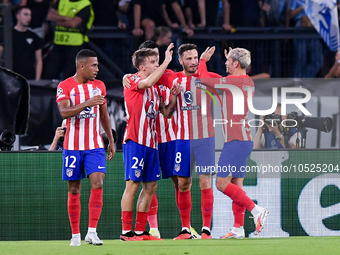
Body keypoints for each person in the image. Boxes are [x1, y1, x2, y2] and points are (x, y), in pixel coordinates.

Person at [200, 46, 269, 239]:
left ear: (236, 63)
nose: (225, 64)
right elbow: (217, 78)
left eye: (228, 61)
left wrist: (203, 61)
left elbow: (205, 79)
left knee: (221, 183)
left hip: (236, 140)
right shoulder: (247, 81)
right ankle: (238, 228)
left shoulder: (233, 81)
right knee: (236, 185)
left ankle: (256, 210)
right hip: (243, 138)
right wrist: (231, 60)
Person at [154, 43, 218, 240]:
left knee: (206, 182)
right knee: (183, 183)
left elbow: (232, 81)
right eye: (188, 58)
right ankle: (185, 229)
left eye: (195, 57)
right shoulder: (173, 77)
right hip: (182, 139)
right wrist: (164, 61)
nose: (193, 62)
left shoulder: (207, 76)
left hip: (205, 137)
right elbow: (151, 76)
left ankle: (206, 230)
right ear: (180, 60)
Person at [120, 43, 181, 241]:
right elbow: (146, 83)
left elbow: (167, 113)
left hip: (152, 143)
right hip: (136, 140)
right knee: (133, 185)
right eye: (152, 62)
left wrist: (172, 97)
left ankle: (140, 231)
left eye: (157, 62)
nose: (156, 65)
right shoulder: (133, 80)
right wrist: (165, 61)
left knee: (150, 187)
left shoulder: (158, 89)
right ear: (142, 66)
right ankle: (126, 232)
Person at [55, 49, 115, 246]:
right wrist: (87, 103)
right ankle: (75, 235)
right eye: (94, 65)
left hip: (95, 145)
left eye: (97, 65)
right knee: (74, 189)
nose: (97, 69)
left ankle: (91, 232)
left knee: (98, 183)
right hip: (72, 146)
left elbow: (104, 116)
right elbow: (64, 112)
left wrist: (111, 140)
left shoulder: (99, 86)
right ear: (82, 66)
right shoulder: (65, 86)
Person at [43, 0, 94, 80]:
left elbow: (74, 23)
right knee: (50, 71)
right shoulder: (61, 1)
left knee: (69, 73)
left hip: (76, 45)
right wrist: (65, 18)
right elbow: (50, 16)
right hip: (59, 43)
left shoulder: (85, 4)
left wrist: (58, 21)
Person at [12, 5, 43, 80]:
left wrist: (37, 80)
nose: (29, 17)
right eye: (26, 14)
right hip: (11, 76)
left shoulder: (34, 37)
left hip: (29, 78)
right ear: (18, 16)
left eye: (30, 15)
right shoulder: (8, 35)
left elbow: (39, 60)